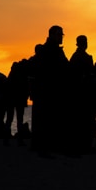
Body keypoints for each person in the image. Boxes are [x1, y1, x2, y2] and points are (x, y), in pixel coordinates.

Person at [28, 25, 70, 156]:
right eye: (58, 35)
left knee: (48, 120)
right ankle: (45, 147)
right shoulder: (48, 51)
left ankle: (46, 145)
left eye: (61, 35)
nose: (61, 37)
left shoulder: (53, 50)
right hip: (47, 91)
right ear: (52, 35)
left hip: (49, 91)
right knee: (47, 120)